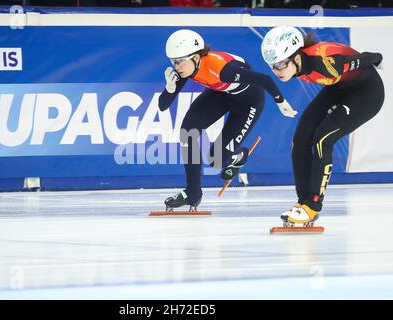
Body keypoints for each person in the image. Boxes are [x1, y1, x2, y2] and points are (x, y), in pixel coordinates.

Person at [159, 29, 296, 211]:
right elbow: (163, 105)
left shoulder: (223, 70)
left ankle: (240, 155)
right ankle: (193, 192)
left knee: (216, 160)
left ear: (196, 58)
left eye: (180, 61)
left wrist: (281, 101)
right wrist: (169, 88)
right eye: (173, 62)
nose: (177, 66)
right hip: (221, 94)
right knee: (187, 131)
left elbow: (263, 79)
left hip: (249, 102)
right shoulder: (186, 69)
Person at [261, 26, 384, 226]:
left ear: (297, 58)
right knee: (300, 139)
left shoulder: (324, 64)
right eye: (272, 66)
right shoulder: (297, 65)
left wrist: (376, 57)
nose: (277, 71)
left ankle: (313, 205)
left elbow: (360, 59)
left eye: (281, 64)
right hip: (339, 87)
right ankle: (303, 204)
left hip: (367, 93)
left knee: (322, 139)